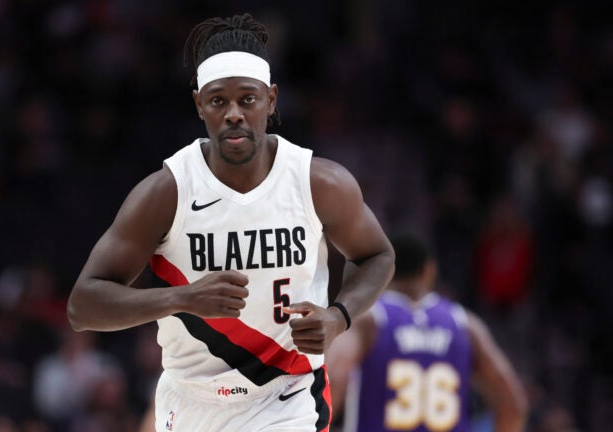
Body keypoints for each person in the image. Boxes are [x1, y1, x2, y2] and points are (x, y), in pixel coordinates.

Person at [67, 13, 395, 432]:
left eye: (248, 99)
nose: (234, 114)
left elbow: (378, 255)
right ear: (199, 104)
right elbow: (82, 306)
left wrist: (338, 317)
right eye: (219, 100)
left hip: (288, 395)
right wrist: (181, 299)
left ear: (271, 100)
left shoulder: (317, 182)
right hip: (190, 400)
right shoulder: (167, 192)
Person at [326, 234, 528, 432]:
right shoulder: (465, 324)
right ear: (429, 270)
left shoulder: (371, 320)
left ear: (383, 270)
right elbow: (513, 406)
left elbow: (333, 377)